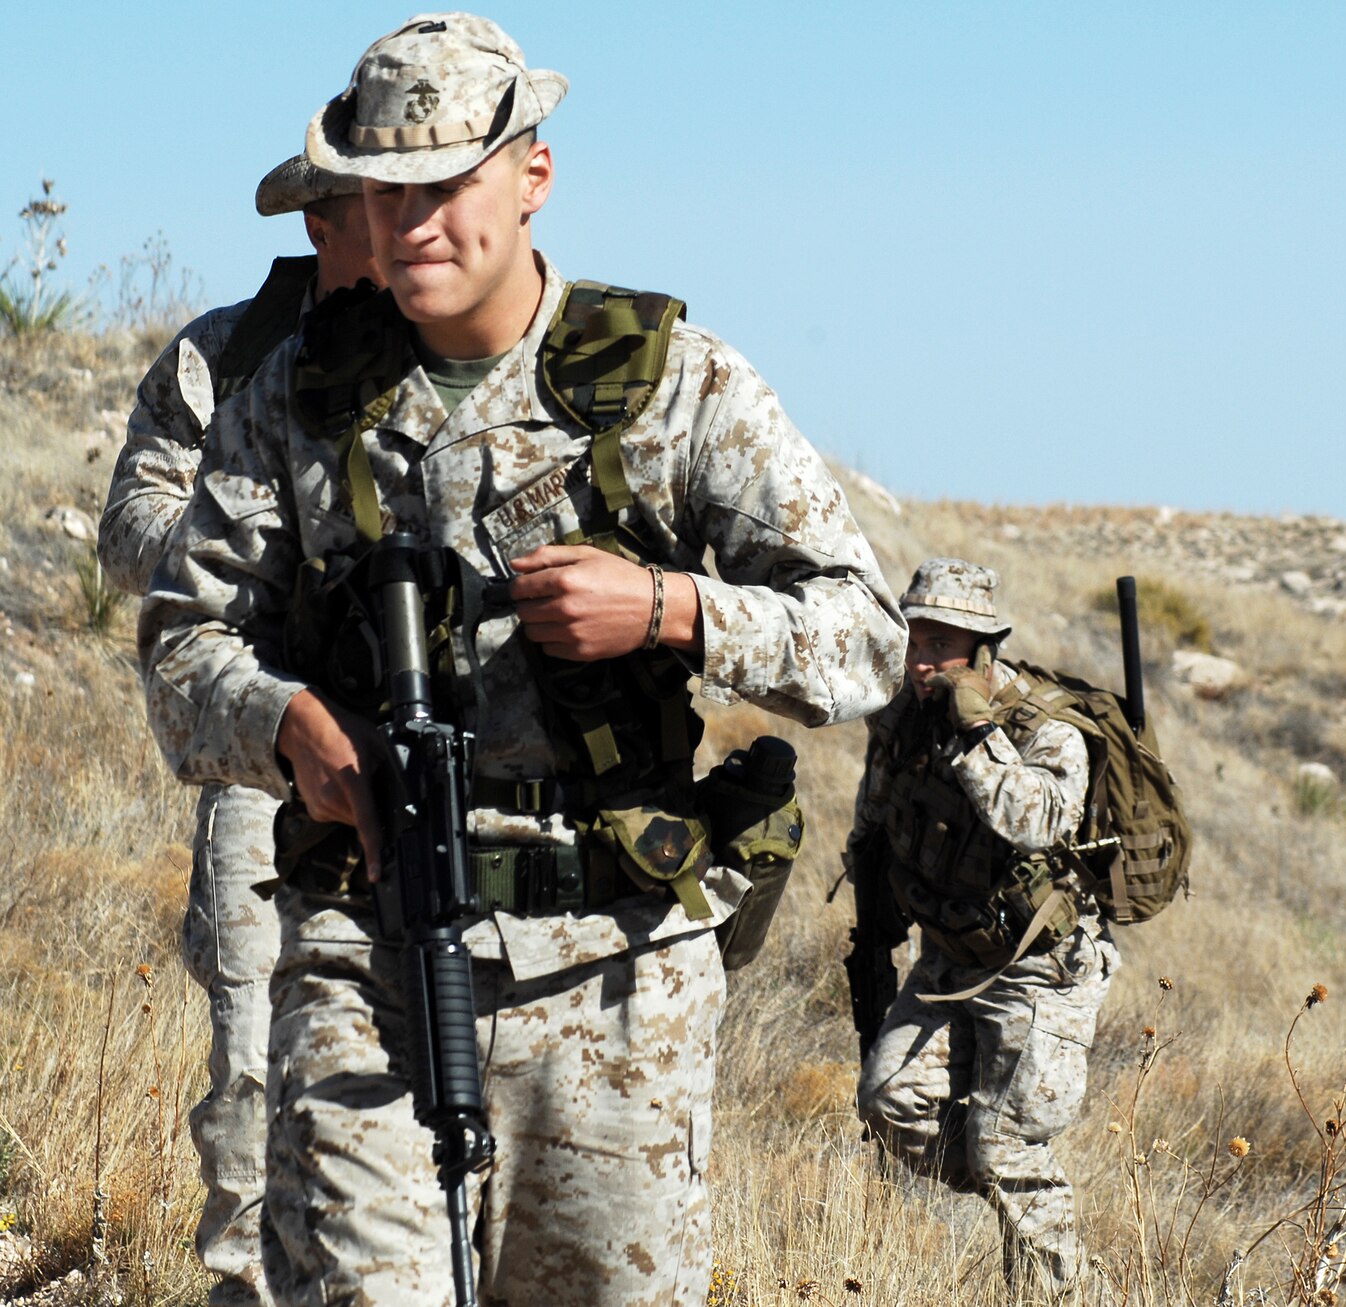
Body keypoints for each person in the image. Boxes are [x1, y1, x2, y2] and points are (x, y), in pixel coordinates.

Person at [138, 13, 905, 1304]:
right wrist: (286, 725)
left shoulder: (675, 387)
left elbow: (865, 636)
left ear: (531, 177)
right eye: (384, 195)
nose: (415, 223)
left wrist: (670, 609)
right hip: (364, 950)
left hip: (614, 975)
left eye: (447, 186)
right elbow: (180, 636)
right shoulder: (297, 400)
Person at [98, 152, 378, 1307]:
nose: (416, 217)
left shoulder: (468, 349)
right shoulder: (223, 355)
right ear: (321, 219)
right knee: (254, 1052)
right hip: (263, 741)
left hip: (435, 751)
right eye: (379, 199)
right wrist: (260, 555)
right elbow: (129, 529)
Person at [850, 558, 1121, 1300]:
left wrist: (976, 736)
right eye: (915, 639)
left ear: (982, 650)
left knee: (1007, 1146)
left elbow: (1034, 821)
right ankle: (1014, 1185)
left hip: (1039, 968)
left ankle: (1065, 1288)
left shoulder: (1045, 731)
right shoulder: (901, 721)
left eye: (942, 643)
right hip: (948, 958)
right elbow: (874, 819)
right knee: (889, 1103)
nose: (923, 660)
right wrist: (873, 918)